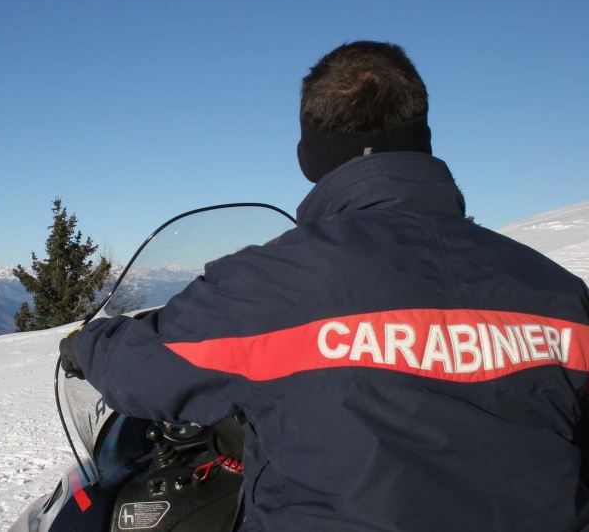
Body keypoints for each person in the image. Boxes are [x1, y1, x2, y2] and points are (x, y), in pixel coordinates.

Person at [61, 41, 589, 531]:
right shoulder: (560, 293)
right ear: (422, 139)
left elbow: (152, 366)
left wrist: (89, 344)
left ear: (311, 152)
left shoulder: (269, 286)